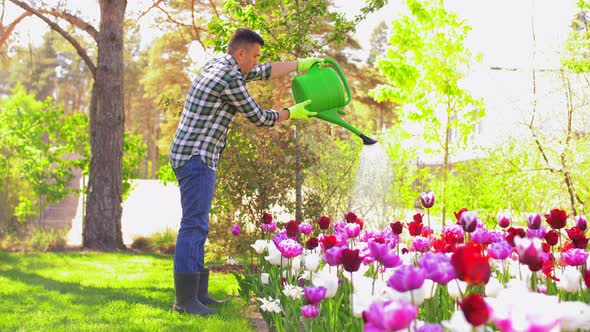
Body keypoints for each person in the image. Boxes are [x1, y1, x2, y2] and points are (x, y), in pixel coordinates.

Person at [169, 28, 322, 315]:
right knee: (193, 225)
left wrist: (299, 64)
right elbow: (260, 117)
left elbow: (262, 71)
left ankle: (198, 295)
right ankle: (186, 302)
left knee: (198, 225)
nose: (255, 62)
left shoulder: (221, 63)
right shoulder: (229, 77)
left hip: (192, 154)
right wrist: (292, 112)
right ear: (241, 53)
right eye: (253, 56)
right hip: (196, 157)